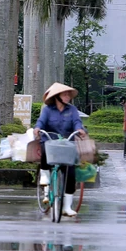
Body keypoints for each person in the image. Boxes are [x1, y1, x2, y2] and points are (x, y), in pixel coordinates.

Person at [33, 82, 85, 217]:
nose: (67, 97)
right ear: (57, 97)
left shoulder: (72, 110)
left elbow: (77, 122)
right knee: (45, 151)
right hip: (50, 141)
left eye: (68, 94)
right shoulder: (47, 110)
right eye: (64, 94)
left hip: (67, 143)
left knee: (70, 173)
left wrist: (79, 129)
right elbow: (41, 122)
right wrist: (37, 128)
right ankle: (45, 177)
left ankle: (67, 207)